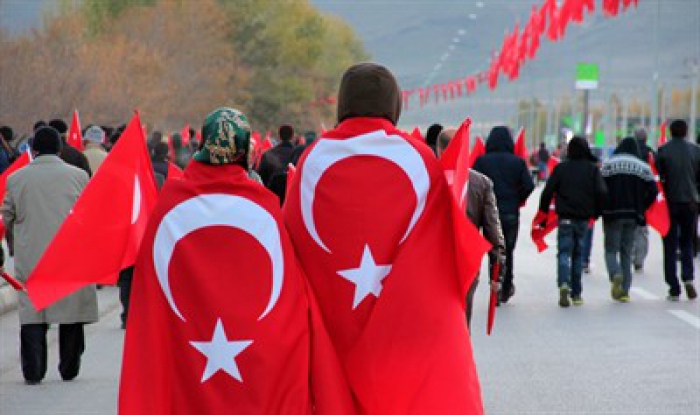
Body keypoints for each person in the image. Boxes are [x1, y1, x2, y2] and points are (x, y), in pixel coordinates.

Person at [119, 108, 352, 413]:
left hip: (189, 346)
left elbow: (152, 288)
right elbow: (289, 290)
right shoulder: (263, 205)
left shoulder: (171, 206)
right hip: (254, 350)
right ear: (243, 150)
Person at [284, 63, 484, 413]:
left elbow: (293, 239)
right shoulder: (420, 159)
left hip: (335, 314)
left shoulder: (312, 160)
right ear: (394, 105)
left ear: (343, 103)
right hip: (404, 321)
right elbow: (446, 238)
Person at [2, 127, 97, 385]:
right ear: (59, 148)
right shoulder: (79, 176)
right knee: (71, 312)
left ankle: (34, 370)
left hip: (32, 257)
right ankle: (69, 367)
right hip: (70, 256)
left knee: (33, 314)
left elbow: (6, 217)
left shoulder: (16, 179)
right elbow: (91, 215)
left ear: (33, 150)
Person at [437, 128, 505, 326]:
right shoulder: (481, 183)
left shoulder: (427, 178)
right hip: (466, 262)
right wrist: (497, 273)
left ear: (440, 150)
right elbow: (494, 234)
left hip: (432, 261)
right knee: (461, 319)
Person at [538, 137, 607, 307]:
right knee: (578, 254)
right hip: (583, 219)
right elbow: (602, 192)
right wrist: (597, 213)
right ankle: (576, 293)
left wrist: (544, 213)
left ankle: (563, 284)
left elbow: (547, 192)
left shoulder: (562, 168)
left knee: (563, 252)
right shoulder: (592, 170)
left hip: (565, 218)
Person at [473, 126, 535, 303]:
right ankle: (506, 287)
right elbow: (529, 185)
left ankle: (495, 286)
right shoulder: (517, 162)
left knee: (493, 251)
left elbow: (472, 184)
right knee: (508, 250)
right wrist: (517, 198)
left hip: (489, 215)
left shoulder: (482, 162)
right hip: (510, 213)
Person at [600, 137, 657, 302]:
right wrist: (642, 207)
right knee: (626, 252)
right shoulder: (643, 167)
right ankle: (624, 291)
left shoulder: (609, 164)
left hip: (613, 214)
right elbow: (653, 191)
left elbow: (601, 188)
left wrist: (603, 208)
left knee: (611, 249)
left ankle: (615, 273)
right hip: (633, 215)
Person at [657, 119, 700, 301]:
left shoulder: (663, 151)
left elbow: (659, 178)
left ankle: (673, 286)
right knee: (687, 242)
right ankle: (688, 278)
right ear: (686, 132)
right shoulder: (696, 151)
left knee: (669, 244)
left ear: (670, 132)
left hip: (670, 203)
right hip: (690, 202)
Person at [632, 127, 654, 272]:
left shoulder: (629, 152)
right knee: (641, 231)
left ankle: (630, 255)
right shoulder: (651, 154)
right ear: (646, 138)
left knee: (630, 230)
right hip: (644, 198)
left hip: (629, 197)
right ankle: (639, 259)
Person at [257, 124, 296, 204]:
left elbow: (261, 179)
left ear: (279, 136)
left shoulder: (268, 155)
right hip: (293, 200)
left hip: (272, 200)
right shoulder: (300, 155)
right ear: (292, 136)